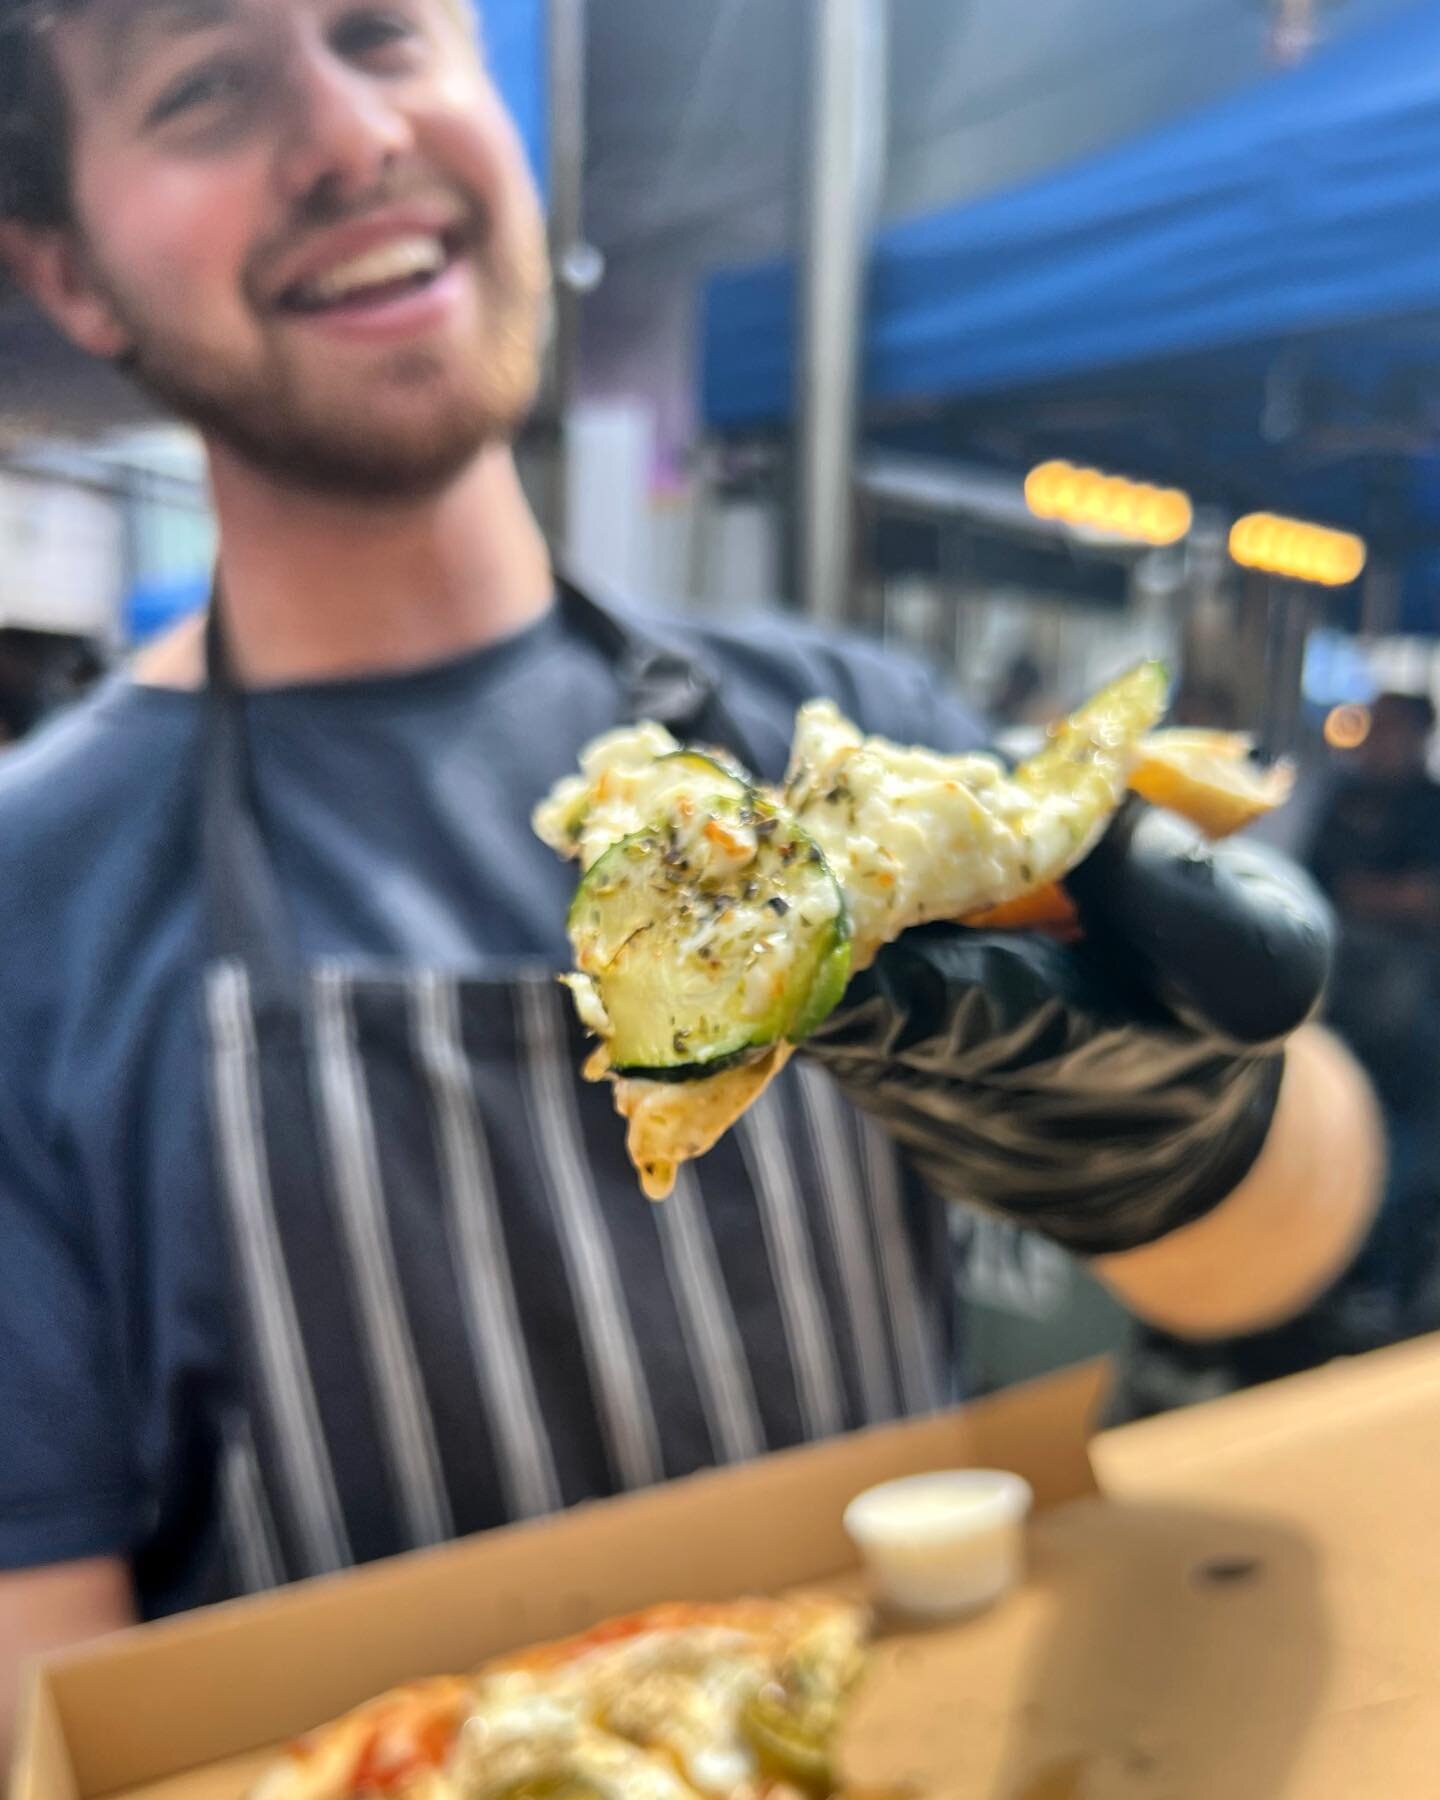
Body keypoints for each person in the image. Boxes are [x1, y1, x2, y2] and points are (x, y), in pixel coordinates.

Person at [0, 0, 1382, 1758]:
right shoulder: (27, 915)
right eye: (207, 86)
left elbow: (1283, 1247)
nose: (351, 137)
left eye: (384, 35)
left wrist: (1179, 1126)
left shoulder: (850, 733)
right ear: (71, 272)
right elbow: (42, 1700)